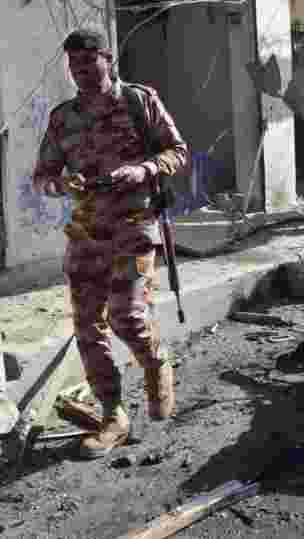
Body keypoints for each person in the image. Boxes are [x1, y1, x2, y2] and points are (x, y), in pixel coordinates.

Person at [32, 28, 188, 459]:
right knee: (87, 326)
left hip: (134, 226)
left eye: (89, 63)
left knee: (125, 317)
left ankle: (156, 361)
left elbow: (177, 151)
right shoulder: (63, 118)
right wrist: (60, 183)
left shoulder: (140, 101)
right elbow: (42, 177)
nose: (81, 73)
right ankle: (113, 415)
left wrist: (143, 171)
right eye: (74, 67)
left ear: (107, 58)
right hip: (86, 232)